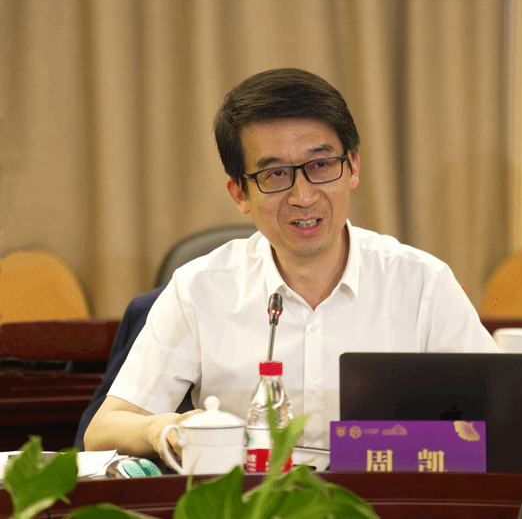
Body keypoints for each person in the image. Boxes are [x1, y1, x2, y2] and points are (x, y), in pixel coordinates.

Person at [84, 68, 500, 462]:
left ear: (353, 168)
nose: (303, 196)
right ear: (240, 193)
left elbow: (500, 422)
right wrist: (165, 428)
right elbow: (103, 429)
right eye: (276, 175)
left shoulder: (422, 284)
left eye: (320, 166)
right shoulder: (199, 288)